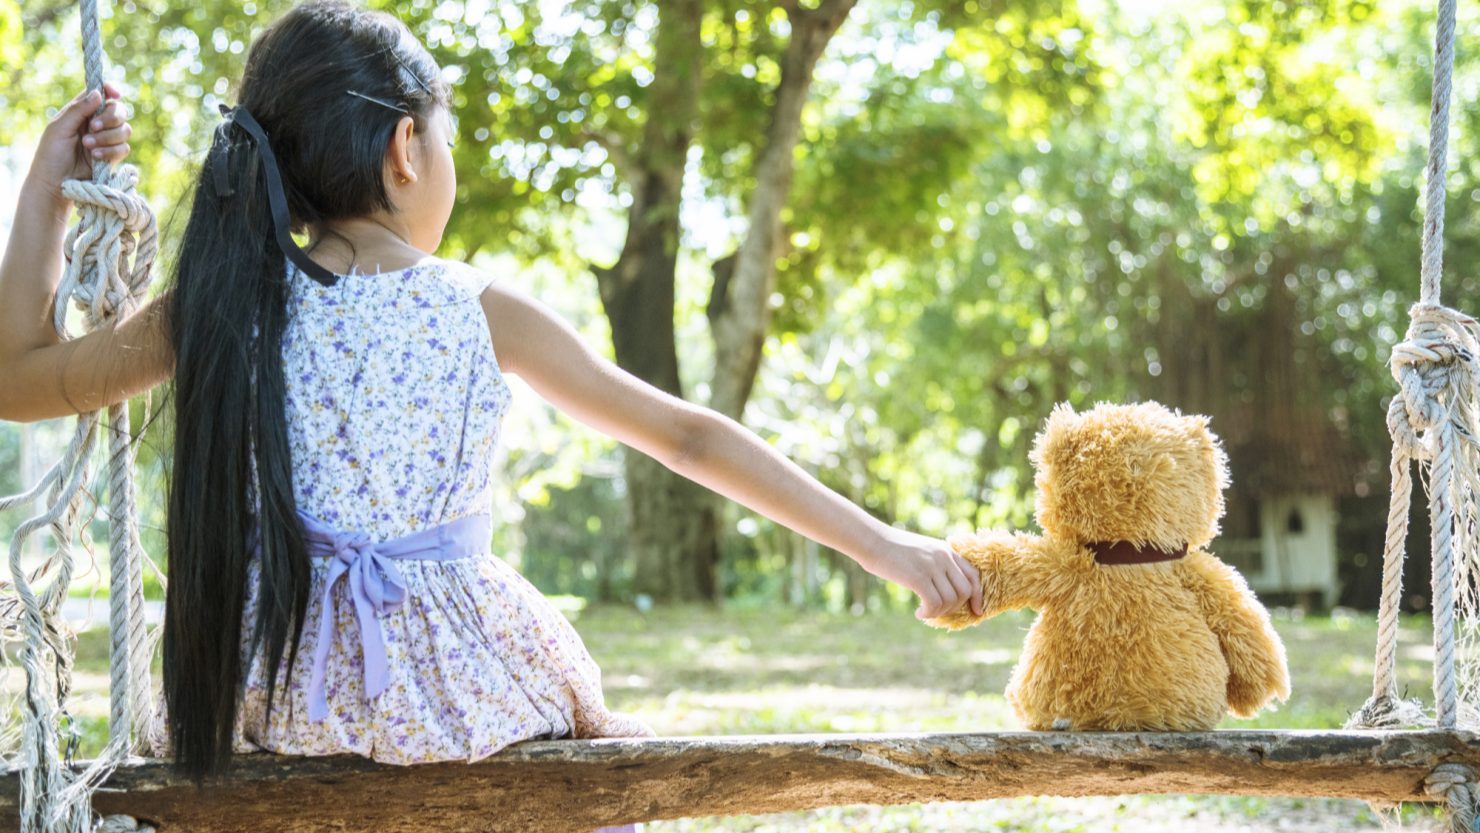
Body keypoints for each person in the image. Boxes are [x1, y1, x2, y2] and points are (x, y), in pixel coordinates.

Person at [0, 2, 983, 828]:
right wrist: (884, 545)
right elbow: (687, 434)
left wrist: (47, 186)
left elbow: (16, 378)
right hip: (453, 687)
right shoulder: (475, 308)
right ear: (403, 149)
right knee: (597, 770)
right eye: (450, 138)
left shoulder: (219, 308)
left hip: (261, 688)